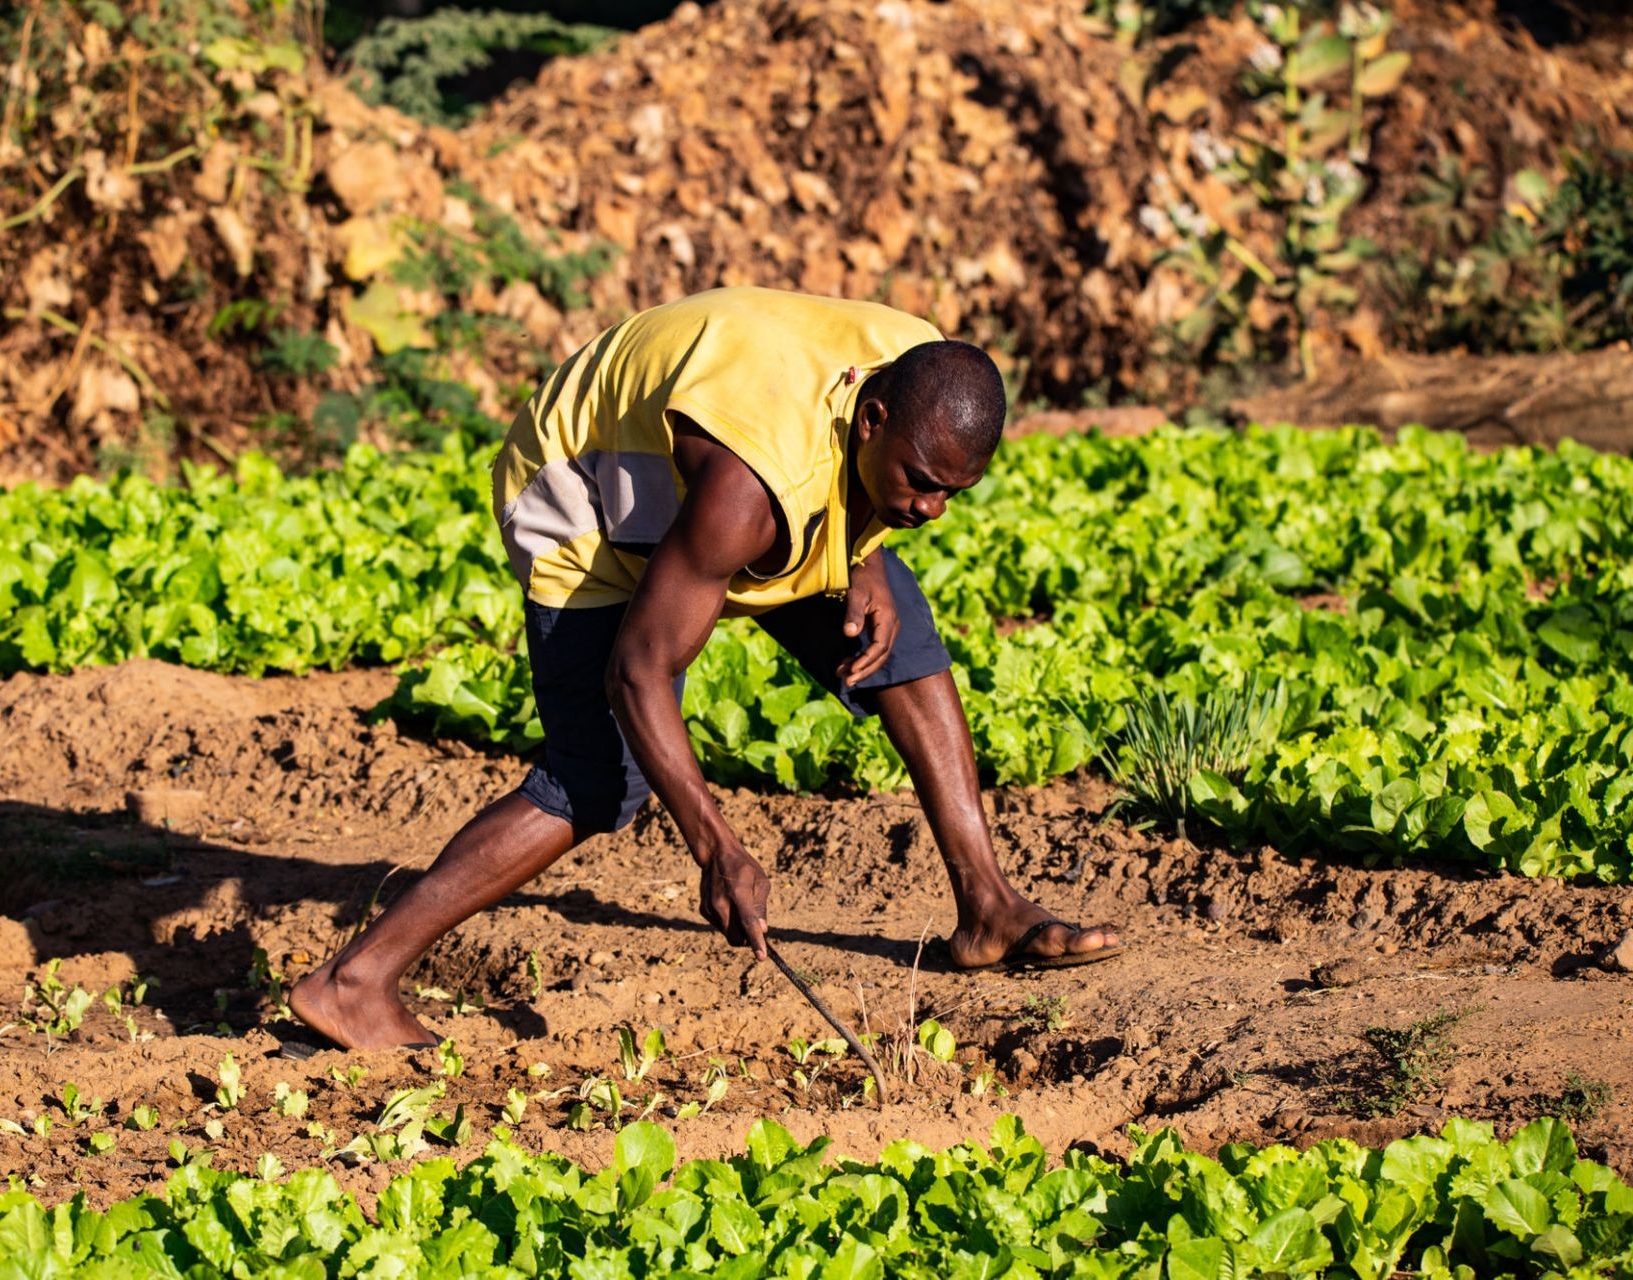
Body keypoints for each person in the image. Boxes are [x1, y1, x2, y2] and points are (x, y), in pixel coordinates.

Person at [291, 287, 1123, 1050]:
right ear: (872, 421)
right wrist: (716, 847)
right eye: (918, 484)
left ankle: (987, 909)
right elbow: (636, 672)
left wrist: (864, 548)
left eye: (952, 494)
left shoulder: (915, 362)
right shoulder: (747, 494)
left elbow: (852, 469)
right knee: (596, 776)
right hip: (581, 479)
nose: (930, 510)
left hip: (745, 457)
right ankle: (353, 981)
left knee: (900, 650)